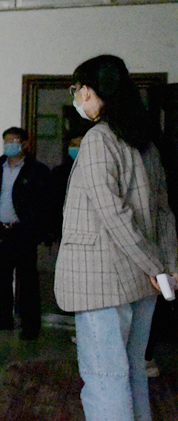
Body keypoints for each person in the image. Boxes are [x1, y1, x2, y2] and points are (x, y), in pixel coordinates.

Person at [54, 55, 177, 421]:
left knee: (105, 378)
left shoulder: (99, 138)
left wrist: (157, 266)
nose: (77, 98)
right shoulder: (146, 142)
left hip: (102, 282)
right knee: (133, 369)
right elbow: (164, 212)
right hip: (144, 282)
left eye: (77, 89)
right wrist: (166, 267)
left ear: (89, 91)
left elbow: (113, 214)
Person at [0, 127, 51, 340]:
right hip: (0, 231)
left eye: (13, 141)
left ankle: (30, 325)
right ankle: (3, 319)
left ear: (25, 144)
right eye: (6, 141)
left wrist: (38, 232)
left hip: (23, 232)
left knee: (27, 280)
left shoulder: (37, 170)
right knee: (2, 278)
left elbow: (44, 205)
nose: (9, 145)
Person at [50, 134, 84, 243]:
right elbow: (54, 202)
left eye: (80, 145)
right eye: (73, 145)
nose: (76, 148)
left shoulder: (96, 170)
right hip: (65, 224)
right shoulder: (59, 172)